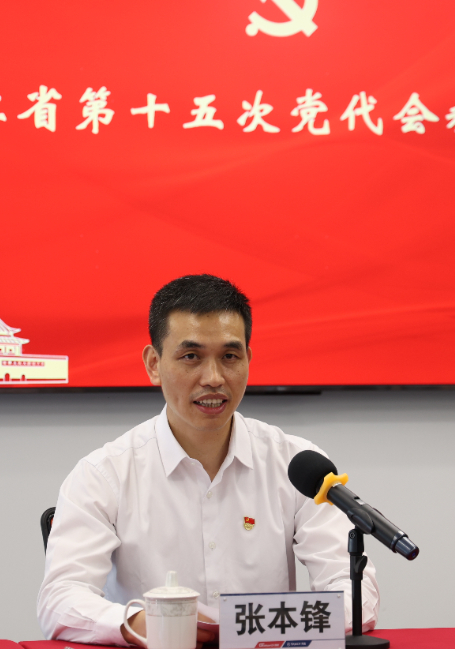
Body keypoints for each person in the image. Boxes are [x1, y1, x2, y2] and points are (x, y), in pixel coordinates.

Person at [37, 275, 379, 646]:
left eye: (229, 357)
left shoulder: (297, 465)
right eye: (191, 357)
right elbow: (60, 600)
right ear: (154, 364)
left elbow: (355, 596)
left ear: (248, 360)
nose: (214, 378)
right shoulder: (104, 475)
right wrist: (141, 622)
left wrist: (259, 624)